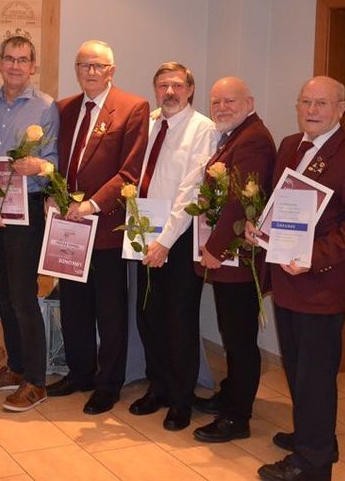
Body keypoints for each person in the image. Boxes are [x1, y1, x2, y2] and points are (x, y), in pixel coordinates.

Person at [251, 76, 345, 481]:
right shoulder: (292, 145)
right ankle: (313, 435)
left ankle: (312, 464)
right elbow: (283, 205)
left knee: (315, 375)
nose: (311, 110)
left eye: (321, 104)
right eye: (305, 102)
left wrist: (313, 256)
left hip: (321, 284)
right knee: (296, 367)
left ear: (342, 108)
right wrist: (262, 230)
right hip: (288, 278)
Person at [47, 40, 149, 415]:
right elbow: (57, 162)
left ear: (112, 70)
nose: (90, 71)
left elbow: (130, 171)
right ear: (76, 69)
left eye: (97, 66)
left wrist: (91, 205)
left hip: (106, 227)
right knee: (73, 305)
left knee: (109, 312)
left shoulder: (133, 107)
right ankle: (80, 373)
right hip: (68, 230)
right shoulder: (65, 109)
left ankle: (108, 384)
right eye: (83, 65)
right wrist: (53, 195)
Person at [0, 35, 59, 411]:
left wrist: (37, 166)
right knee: (4, 294)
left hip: (27, 214)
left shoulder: (46, 108)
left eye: (23, 60)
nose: (15, 66)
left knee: (24, 296)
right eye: (9, 58)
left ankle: (37, 382)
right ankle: (18, 368)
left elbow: (54, 164)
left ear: (33, 66)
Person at [129, 62, 216, 430]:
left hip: (177, 241)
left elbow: (192, 191)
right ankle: (159, 387)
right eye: (163, 85)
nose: (169, 92)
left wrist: (164, 242)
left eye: (177, 85)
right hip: (144, 230)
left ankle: (181, 400)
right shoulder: (149, 123)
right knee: (149, 317)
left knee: (179, 321)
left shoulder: (203, 129)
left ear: (190, 89)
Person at [191, 76, 276, 443]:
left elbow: (241, 197)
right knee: (231, 333)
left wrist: (215, 246)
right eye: (216, 102)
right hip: (229, 257)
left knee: (239, 339)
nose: (222, 108)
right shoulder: (235, 135)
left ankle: (236, 418)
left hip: (239, 260)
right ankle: (230, 393)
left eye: (229, 101)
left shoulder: (253, 138)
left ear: (249, 101)